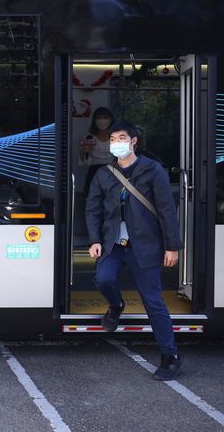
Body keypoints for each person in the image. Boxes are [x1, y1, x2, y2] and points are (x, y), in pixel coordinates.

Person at [85, 121, 183, 381]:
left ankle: (170, 356)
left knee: (153, 301)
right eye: (113, 138)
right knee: (103, 279)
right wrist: (94, 239)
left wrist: (172, 246)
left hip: (145, 245)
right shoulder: (104, 174)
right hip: (113, 244)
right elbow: (93, 209)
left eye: (122, 137)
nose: (117, 142)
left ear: (134, 141)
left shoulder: (153, 171)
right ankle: (116, 305)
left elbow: (166, 210)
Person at [79, 107, 115, 196]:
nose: (102, 121)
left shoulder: (117, 137)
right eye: (99, 118)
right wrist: (85, 150)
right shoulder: (89, 138)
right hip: (94, 173)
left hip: (113, 173)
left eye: (105, 118)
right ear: (94, 120)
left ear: (110, 119)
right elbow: (82, 161)